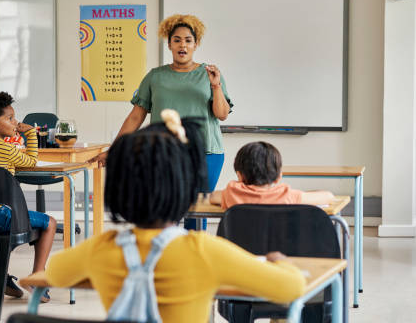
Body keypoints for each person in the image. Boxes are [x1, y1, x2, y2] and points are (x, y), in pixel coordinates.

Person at [46, 110, 305, 323]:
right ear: (188, 185)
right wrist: (278, 259)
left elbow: (55, 273)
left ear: (119, 187)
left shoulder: (101, 249)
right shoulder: (203, 251)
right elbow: (291, 287)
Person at [89, 14, 232, 230]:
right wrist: (115, 149)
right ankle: (167, 258)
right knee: (166, 210)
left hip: (206, 153)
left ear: (196, 44)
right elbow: (136, 116)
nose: (182, 45)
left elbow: (222, 114)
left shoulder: (209, 74)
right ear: (169, 44)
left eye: (187, 40)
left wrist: (216, 85)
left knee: (196, 212)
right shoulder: (155, 77)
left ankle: (191, 259)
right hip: (165, 153)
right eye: (177, 40)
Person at [0, 90, 57, 302]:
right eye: (10, 118)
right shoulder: (4, 149)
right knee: (49, 223)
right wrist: (31, 133)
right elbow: (31, 161)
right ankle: (36, 278)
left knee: (13, 218)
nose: (16, 122)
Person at [209, 141, 335, 208]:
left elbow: (213, 197)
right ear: (279, 176)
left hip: (240, 253)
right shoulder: (288, 196)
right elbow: (328, 196)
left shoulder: (232, 194)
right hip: (279, 252)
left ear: (239, 175)